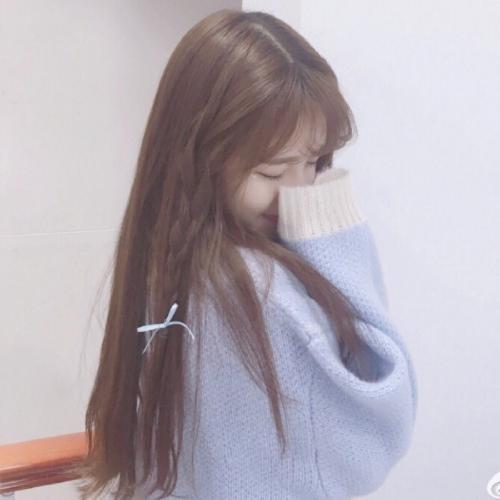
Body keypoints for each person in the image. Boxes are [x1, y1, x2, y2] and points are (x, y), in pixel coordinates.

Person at [76, 9, 418, 500]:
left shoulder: (166, 261)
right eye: (273, 171)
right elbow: (381, 427)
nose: (299, 189)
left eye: (315, 163)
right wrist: (336, 237)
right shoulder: (258, 293)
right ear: (201, 158)